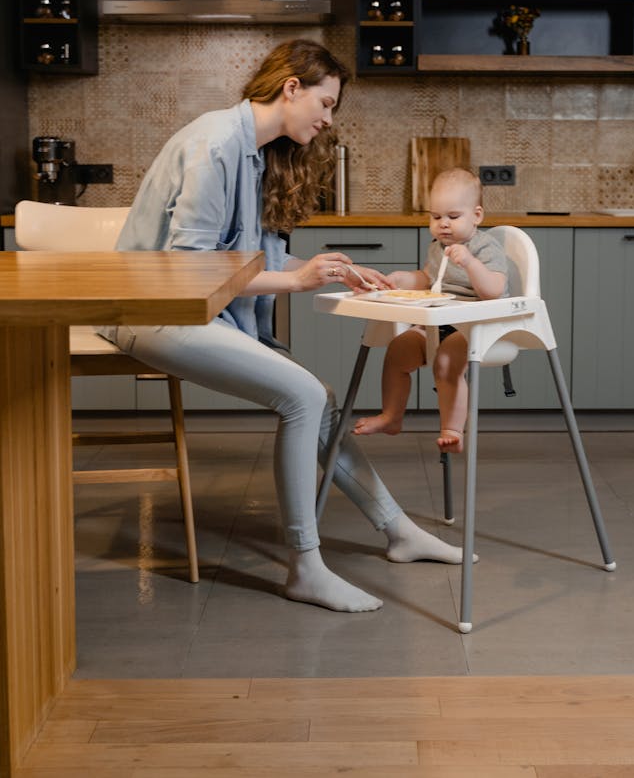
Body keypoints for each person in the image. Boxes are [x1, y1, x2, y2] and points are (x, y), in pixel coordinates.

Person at [101, 38, 468, 614]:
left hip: (194, 311)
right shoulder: (215, 143)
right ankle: (305, 566)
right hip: (151, 314)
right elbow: (192, 272)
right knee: (303, 394)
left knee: (315, 399)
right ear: (290, 87)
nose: (327, 120)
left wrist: (329, 269)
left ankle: (398, 531)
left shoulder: (253, 153)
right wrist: (297, 283)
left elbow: (254, 263)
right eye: (325, 103)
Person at [354, 168, 507, 453]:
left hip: (476, 325)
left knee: (447, 362)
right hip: (438, 321)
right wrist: (401, 279)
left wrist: (471, 263)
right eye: (436, 217)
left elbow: (494, 289)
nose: (443, 225)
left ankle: (452, 430)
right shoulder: (438, 247)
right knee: (398, 349)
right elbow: (429, 280)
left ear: (477, 215)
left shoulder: (486, 247)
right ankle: (391, 416)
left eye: (453, 216)